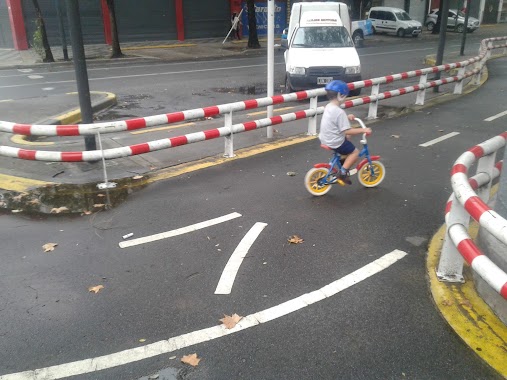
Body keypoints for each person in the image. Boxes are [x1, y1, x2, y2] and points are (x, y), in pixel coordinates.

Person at [318, 80, 372, 186]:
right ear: (341, 95)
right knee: (355, 152)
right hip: (335, 141)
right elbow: (346, 130)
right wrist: (363, 130)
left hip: (325, 138)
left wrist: (347, 118)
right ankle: (343, 172)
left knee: (347, 137)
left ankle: (343, 158)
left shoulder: (329, 106)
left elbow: (333, 120)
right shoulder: (339, 111)